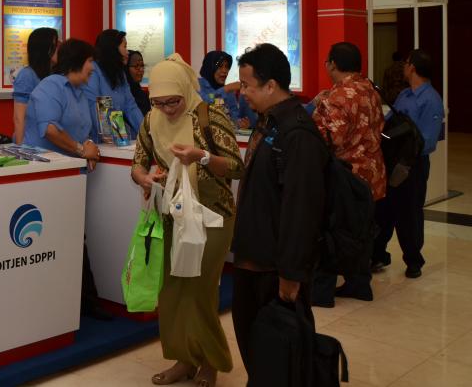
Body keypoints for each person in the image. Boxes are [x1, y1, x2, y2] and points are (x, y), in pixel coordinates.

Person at [130, 54, 244, 387]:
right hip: (173, 214)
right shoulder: (151, 120)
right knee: (172, 292)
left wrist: (202, 157)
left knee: (199, 292)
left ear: (184, 90)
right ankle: (184, 359)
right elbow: (138, 162)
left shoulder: (209, 116)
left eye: (173, 101)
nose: (167, 109)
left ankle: (210, 361)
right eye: (159, 102)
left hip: (213, 215)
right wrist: (143, 178)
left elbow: (236, 167)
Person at [230, 43, 327, 379]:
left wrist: (291, 272)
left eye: (247, 85)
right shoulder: (268, 122)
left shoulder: (296, 133)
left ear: (271, 85)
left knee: (278, 356)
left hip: (274, 268)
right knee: (255, 347)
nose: (242, 93)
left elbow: (302, 209)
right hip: (252, 258)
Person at [24, 38, 109, 319]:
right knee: (56, 239)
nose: (92, 69)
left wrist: (89, 146)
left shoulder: (80, 92)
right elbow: (50, 129)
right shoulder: (50, 88)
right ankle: (70, 303)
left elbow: (83, 130)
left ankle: (81, 302)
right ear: (77, 62)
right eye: (90, 62)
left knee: (73, 236)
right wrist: (81, 150)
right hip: (46, 178)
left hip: (70, 177)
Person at [311, 42, 385, 304]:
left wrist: (314, 117)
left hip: (345, 177)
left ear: (332, 64)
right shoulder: (369, 89)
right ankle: (359, 284)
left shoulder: (339, 96)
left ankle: (322, 292)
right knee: (362, 232)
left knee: (332, 231)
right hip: (372, 173)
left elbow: (331, 139)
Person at [372, 48, 445, 279]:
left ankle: (413, 261)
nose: (403, 67)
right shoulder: (404, 95)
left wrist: (405, 148)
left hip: (413, 165)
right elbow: (389, 122)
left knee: (409, 213)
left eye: (406, 63)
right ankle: (377, 255)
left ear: (412, 67)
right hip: (392, 161)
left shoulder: (431, 100)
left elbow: (428, 141)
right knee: (384, 209)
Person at [83, 29, 144, 142]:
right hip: (98, 142)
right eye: (124, 46)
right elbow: (97, 109)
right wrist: (119, 139)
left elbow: (131, 106)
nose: (127, 52)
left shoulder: (119, 73)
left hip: (118, 137)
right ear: (113, 48)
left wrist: (146, 133)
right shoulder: (94, 71)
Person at [12, 27, 59, 143]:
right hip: (31, 142)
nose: (59, 49)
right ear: (45, 49)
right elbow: (19, 117)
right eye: (55, 45)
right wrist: (21, 148)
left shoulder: (54, 74)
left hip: (49, 140)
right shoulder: (27, 75)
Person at [197, 51, 256, 130]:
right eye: (220, 66)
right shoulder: (197, 85)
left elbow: (233, 115)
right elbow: (204, 102)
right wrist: (226, 89)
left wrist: (240, 123)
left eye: (227, 67)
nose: (225, 71)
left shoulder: (228, 92)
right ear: (210, 67)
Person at [126, 50, 151, 116]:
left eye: (142, 66)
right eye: (136, 66)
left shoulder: (144, 95)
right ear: (126, 68)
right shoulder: (120, 95)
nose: (141, 69)